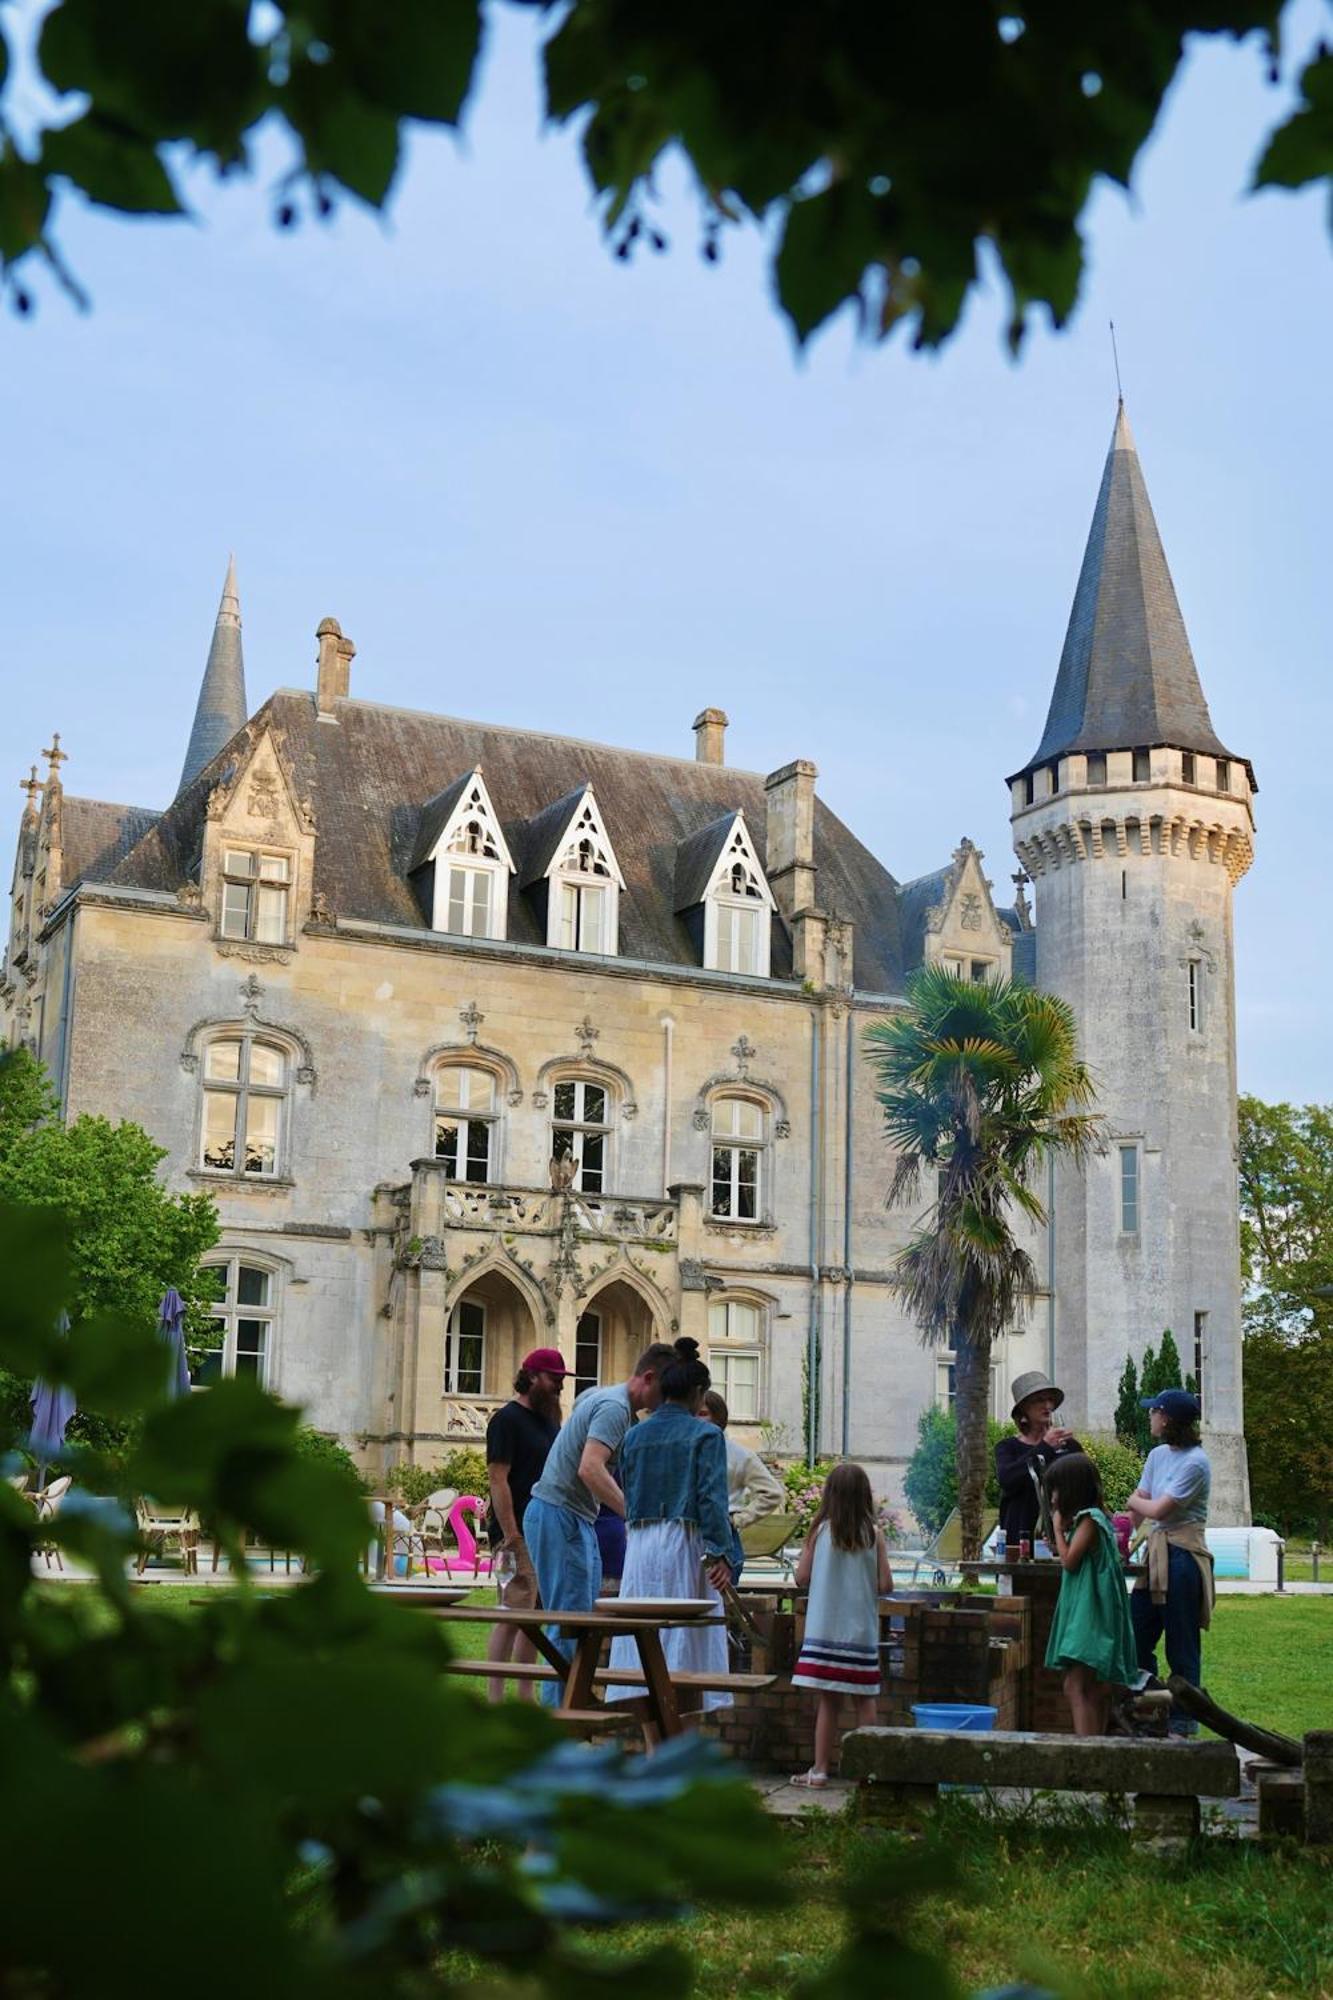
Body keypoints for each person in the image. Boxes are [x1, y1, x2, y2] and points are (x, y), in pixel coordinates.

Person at [524, 1340, 676, 1672]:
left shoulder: (607, 1401)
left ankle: (569, 1707)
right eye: (664, 1394)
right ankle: (562, 1718)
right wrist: (634, 1517)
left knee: (579, 1621)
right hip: (559, 1513)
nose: (664, 1404)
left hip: (574, 1516)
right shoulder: (614, 1407)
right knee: (569, 1626)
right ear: (648, 1378)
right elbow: (590, 1468)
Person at [606, 1338, 735, 1720]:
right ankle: (679, 1751)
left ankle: (653, 1749)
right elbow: (711, 1499)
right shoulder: (707, 1436)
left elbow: (626, 1489)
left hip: (642, 1547)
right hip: (686, 1545)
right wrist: (720, 1552)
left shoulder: (634, 1435)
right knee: (685, 1643)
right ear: (698, 1392)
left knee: (644, 1644)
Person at [790, 1462, 894, 1787]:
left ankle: (819, 1770)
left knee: (828, 1700)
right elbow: (886, 1585)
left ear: (829, 1495)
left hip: (824, 1629)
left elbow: (801, 1578)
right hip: (860, 1631)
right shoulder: (873, 1534)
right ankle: (871, 1771)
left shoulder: (819, 1531)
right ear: (865, 1495)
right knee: (865, 1698)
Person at [1126, 1388, 1214, 1735]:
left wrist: (1136, 1502)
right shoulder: (1158, 1454)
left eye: (1154, 1411)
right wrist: (1125, 1539)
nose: (1149, 1416)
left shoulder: (1196, 1462)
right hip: (1157, 1554)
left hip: (1183, 1558)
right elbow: (1141, 1503)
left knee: (1182, 1645)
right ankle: (1154, 1708)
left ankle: (1183, 1723)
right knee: (1133, 1637)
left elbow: (1159, 1509)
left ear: (1167, 1418)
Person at [483, 1347, 567, 1701]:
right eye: (554, 1379)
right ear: (532, 1376)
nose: (559, 1387)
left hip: (543, 1529)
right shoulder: (506, 1420)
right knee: (512, 1609)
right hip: (515, 1529)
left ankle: (525, 1694)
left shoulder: (551, 1421)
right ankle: (495, 1696)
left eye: (562, 1381)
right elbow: (498, 1479)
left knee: (534, 1614)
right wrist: (511, 1534)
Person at [1041, 1452, 1138, 1735]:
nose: (1052, 1498)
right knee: (1094, 1689)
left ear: (1070, 1489)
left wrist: (1058, 1529)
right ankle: (1097, 1753)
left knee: (1075, 1686)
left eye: (1055, 1490)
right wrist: (1061, 1539)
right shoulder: (1092, 1519)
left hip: (1091, 1617)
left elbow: (1069, 1561)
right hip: (1092, 1613)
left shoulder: (1090, 1519)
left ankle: (1086, 1756)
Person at [699, 1388, 785, 1575]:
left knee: (722, 1601)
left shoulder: (739, 1455)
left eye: (703, 1414)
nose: (697, 1419)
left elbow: (772, 1493)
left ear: (718, 1417)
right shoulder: (682, 1450)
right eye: (693, 1414)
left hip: (724, 1533)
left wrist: (739, 1519)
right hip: (689, 1534)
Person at [994, 1370, 1084, 1548]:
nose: (1048, 1405)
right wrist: (1045, 1447)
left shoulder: (1070, 1447)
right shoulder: (1008, 1447)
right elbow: (1008, 1480)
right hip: (1019, 1539)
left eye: (1050, 1400)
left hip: (1062, 1539)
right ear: (1023, 1410)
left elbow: (1084, 1487)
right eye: (1039, 1400)